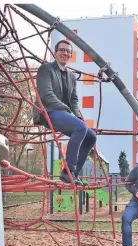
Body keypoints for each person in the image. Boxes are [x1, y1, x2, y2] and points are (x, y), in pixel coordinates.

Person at [33, 40, 96, 185]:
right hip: (47, 111)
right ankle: (68, 171)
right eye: (62, 50)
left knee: (91, 137)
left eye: (68, 51)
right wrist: (66, 109)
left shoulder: (71, 76)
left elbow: (74, 99)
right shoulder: (46, 69)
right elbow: (46, 95)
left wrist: (78, 116)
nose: (65, 53)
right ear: (55, 53)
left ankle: (74, 173)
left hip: (63, 113)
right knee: (80, 128)